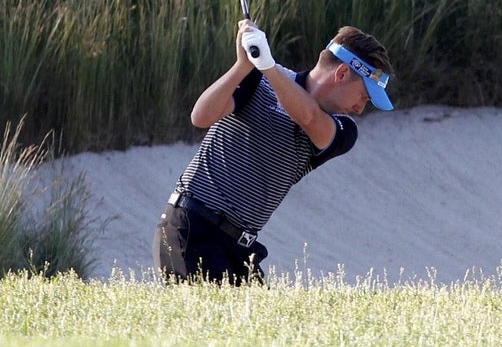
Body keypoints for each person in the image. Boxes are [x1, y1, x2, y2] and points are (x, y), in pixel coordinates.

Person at [155, 18, 394, 284]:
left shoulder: (343, 129)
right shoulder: (258, 78)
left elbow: (308, 117)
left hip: (240, 246)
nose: (361, 108)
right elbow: (200, 117)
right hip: (193, 227)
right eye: (363, 96)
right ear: (341, 74)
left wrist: (267, 66)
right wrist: (242, 67)